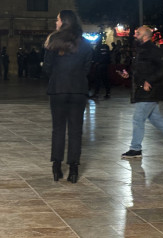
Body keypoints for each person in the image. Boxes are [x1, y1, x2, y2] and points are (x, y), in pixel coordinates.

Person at [120, 26, 163, 158]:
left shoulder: (154, 50)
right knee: (157, 119)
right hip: (143, 91)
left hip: (150, 91)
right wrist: (128, 74)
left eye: (137, 33)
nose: (135, 35)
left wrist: (150, 81)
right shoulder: (141, 50)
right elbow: (140, 69)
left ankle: (135, 148)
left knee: (138, 119)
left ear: (145, 36)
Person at [43, 10, 93, 183]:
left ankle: (56, 167)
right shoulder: (86, 44)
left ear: (64, 22)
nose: (55, 23)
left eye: (57, 20)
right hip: (78, 91)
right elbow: (87, 70)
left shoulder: (53, 42)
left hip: (58, 90)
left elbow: (47, 68)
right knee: (75, 131)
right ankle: (73, 170)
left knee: (58, 129)